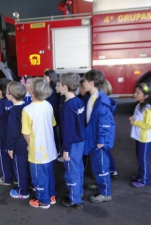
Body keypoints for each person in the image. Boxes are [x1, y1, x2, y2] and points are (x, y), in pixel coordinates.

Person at [22, 77, 58, 209]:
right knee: (49, 173)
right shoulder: (48, 105)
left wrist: (29, 144)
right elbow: (52, 124)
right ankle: (51, 195)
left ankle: (43, 201)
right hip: (50, 148)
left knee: (38, 176)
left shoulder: (27, 110)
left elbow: (26, 132)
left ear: (31, 91)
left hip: (37, 151)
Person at [83, 69, 117, 203]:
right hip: (95, 138)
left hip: (99, 141)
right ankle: (101, 184)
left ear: (91, 83)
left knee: (101, 166)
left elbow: (104, 123)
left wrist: (101, 140)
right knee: (97, 165)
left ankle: (105, 193)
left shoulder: (100, 101)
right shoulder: (94, 97)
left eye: (85, 81)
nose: (83, 83)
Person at [59, 73, 86, 209]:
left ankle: (75, 199)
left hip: (72, 143)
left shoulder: (67, 106)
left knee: (71, 171)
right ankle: (78, 193)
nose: (57, 86)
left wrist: (66, 149)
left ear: (64, 87)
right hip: (80, 141)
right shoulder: (79, 101)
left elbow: (67, 130)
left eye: (59, 84)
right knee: (78, 168)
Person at [6, 81, 30, 198]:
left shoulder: (13, 112)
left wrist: (10, 147)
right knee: (28, 166)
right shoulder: (28, 106)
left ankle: (23, 191)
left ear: (11, 95)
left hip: (19, 146)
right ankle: (30, 185)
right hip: (29, 143)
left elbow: (12, 132)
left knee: (20, 169)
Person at [129, 83, 151, 188]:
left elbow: (150, 124)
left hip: (145, 139)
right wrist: (132, 117)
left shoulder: (148, 109)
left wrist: (135, 122)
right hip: (139, 137)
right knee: (139, 157)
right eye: (135, 92)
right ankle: (141, 175)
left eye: (138, 93)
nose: (135, 94)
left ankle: (144, 180)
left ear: (146, 96)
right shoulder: (139, 105)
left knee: (143, 159)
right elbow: (137, 116)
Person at [0, 78, 16, 185]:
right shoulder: (14, 101)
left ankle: (6, 178)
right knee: (14, 157)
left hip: (3, 135)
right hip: (14, 135)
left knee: (4, 157)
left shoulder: (0, 104)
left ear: (1, 90)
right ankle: (16, 177)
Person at [44, 69, 61, 155]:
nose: (44, 78)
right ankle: (57, 150)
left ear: (49, 77)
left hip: (52, 114)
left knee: (52, 133)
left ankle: (55, 150)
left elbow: (50, 103)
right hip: (56, 112)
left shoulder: (51, 88)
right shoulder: (55, 86)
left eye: (45, 76)